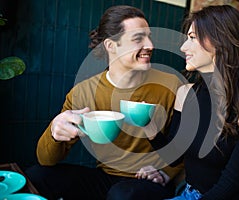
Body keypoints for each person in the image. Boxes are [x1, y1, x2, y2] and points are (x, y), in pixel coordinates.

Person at [25, 5, 184, 200]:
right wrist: (54, 132)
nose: (150, 45)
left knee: (122, 195)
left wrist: (166, 172)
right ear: (110, 46)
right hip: (106, 178)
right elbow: (46, 160)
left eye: (149, 36)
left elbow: (190, 142)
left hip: (149, 181)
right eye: (138, 39)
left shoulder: (171, 85)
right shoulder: (83, 92)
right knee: (36, 176)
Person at [142, 5, 239, 200]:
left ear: (220, 41)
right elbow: (176, 155)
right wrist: (149, 126)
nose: (183, 47)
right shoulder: (185, 93)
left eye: (192, 38)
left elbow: (230, 184)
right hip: (190, 194)